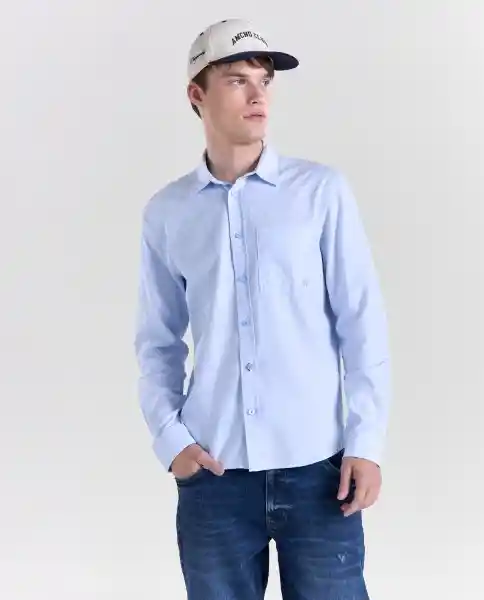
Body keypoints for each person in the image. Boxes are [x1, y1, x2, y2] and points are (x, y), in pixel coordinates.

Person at [134, 17, 391, 600]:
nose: (258, 95)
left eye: (265, 80)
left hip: (321, 473)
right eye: (237, 80)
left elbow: (362, 323)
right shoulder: (168, 212)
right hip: (215, 476)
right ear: (197, 94)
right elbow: (157, 340)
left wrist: (366, 444)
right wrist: (172, 441)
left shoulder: (320, 193)